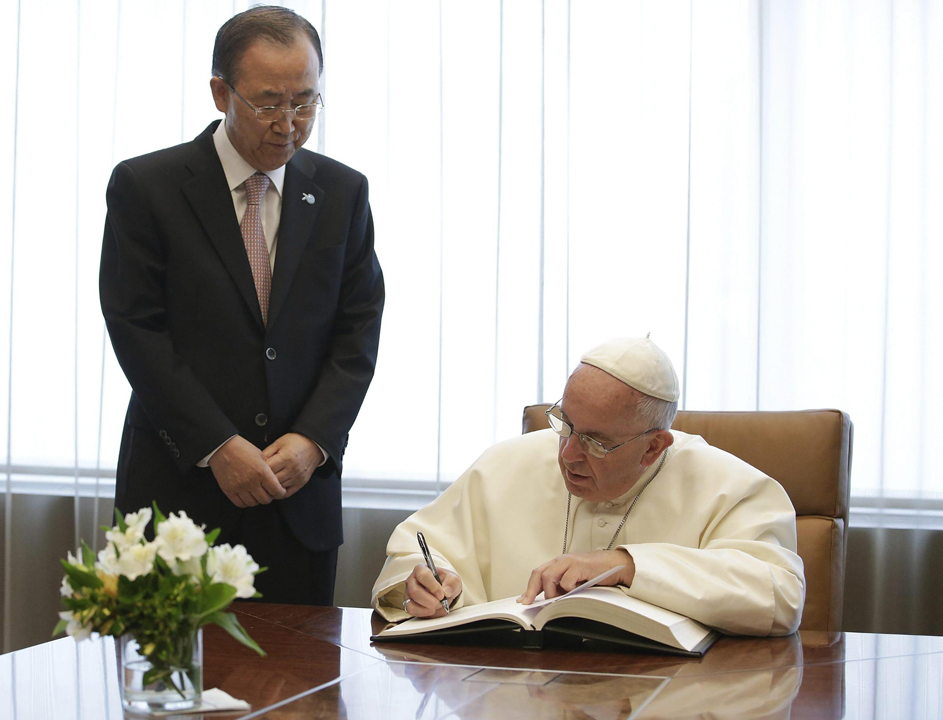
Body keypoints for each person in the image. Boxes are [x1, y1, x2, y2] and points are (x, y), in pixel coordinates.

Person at [100, 6, 384, 606]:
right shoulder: (147, 187)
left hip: (297, 502)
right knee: (170, 690)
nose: (289, 124)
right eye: (268, 103)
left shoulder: (342, 192)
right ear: (220, 92)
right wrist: (217, 445)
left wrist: (313, 440)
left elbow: (357, 330)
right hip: (179, 497)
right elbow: (137, 330)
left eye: (306, 102)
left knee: (301, 695)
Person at [371, 337, 805, 636]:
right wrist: (432, 588)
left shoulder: (732, 486)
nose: (568, 455)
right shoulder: (506, 463)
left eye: (597, 442)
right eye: (566, 425)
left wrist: (626, 564)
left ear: (654, 447)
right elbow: (416, 549)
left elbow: (777, 596)